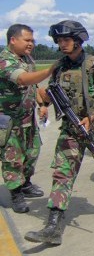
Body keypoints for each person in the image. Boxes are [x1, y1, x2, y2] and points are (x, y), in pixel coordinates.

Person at [24, 20, 94, 245]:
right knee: (62, 173)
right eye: (59, 40)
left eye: (66, 40)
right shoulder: (59, 67)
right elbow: (53, 94)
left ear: (79, 41)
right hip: (70, 129)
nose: (62, 44)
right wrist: (44, 102)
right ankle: (53, 226)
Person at [0, 24, 56, 213]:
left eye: (32, 40)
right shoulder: (4, 61)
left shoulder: (27, 58)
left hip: (27, 118)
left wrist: (42, 105)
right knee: (12, 158)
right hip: (9, 121)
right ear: (13, 40)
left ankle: (25, 183)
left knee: (32, 152)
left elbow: (34, 85)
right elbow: (23, 80)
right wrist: (52, 69)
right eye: (27, 40)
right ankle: (16, 194)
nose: (31, 43)